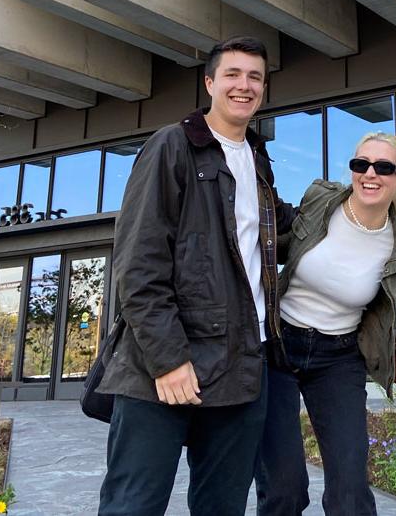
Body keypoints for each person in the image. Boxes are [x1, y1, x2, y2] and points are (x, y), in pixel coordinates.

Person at [98, 36, 293, 516]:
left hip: (241, 367)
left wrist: (370, 199)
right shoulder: (172, 146)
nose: (243, 86)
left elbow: (285, 234)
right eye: (232, 74)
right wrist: (168, 360)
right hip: (162, 369)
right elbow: (138, 263)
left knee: (222, 506)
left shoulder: (257, 160)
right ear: (210, 83)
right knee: (134, 506)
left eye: (254, 77)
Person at [255, 132, 396, 516]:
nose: (370, 174)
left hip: (339, 358)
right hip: (278, 346)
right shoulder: (320, 200)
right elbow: (268, 242)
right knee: (284, 488)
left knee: (350, 491)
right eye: (360, 164)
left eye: (384, 167)